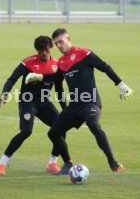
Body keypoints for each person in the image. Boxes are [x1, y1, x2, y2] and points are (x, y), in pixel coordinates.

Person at [27, 28, 133, 175]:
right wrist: (39, 77)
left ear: (68, 39)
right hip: (75, 106)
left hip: (90, 102)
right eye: (56, 44)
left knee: (93, 125)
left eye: (61, 42)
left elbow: (105, 67)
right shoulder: (62, 62)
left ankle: (113, 162)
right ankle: (68, 164)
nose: (58, 46)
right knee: (53, 133)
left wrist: (121, 86)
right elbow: (56, 80)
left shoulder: (84, 54)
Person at [0, 36, 66, 176]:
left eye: (46, 50)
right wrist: (4, 93)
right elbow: (12, 78)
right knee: (26, 131)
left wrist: (66, 109)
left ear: (50, 48)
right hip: (28, 102)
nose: (43, 53)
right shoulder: (28, 63)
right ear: (36, 50)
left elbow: (59, 90)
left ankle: (52, 163)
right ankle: (0, 164)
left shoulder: (57, 65)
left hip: (45, 103)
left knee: (62, 128)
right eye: (40, 50)